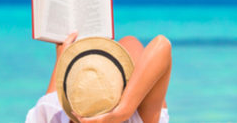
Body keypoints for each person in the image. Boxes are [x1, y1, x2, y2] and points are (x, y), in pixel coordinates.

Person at [26, 32, 172, 123]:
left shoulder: (50, 111)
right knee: (129, 42)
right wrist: (124, 111)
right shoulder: (135, 117)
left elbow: (50, 99)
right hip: (131, 107)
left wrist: (62, 57)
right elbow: (162, 45)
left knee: (129, 42)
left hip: (77, 102)